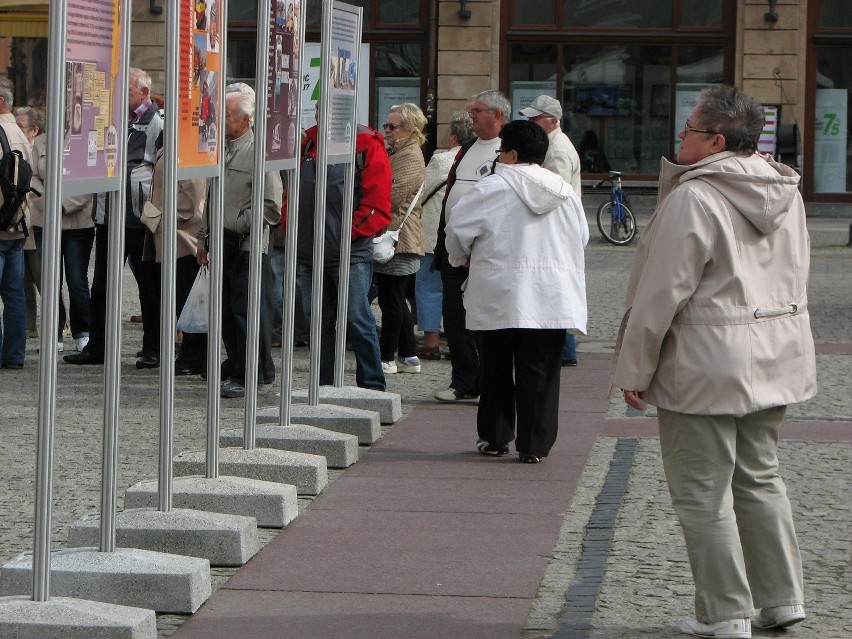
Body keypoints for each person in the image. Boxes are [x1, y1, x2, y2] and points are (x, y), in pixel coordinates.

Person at [612, 86, 815, 639]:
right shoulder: (785, 189)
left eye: (688, 131)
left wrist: (634, 370)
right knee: (760, 477)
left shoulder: (695, 196)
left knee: (702, 490)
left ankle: (726, 613)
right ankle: (781, 599)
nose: (680, 139)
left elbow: (660, 293)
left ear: (716, 140)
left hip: (704, 361)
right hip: (774, 352)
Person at [445, 119, 588, 463]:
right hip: (550, 294)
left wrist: (460, 257)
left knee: (495, 366)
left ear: (509, 153)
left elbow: (458, 231)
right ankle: (535, 444)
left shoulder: (490, 188)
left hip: (500, 290)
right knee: (541, 371)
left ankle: (495, 436)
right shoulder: (563, 191)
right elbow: (581, 237)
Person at [64, 68, 163, 367]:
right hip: (109, 214)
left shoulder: (157, 123)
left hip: (139, 216)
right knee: (102, 285)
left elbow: (162, 169)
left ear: (144, 93)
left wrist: (154, 211)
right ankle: (98, 347)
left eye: (128, 90)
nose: (121, 95)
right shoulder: (115, 119)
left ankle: (153, 349)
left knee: (149, 285)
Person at [197, 82, 283, 398]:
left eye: (228, 115)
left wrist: (239, 225)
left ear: (245, 119)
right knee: (226, 311)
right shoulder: (221, 149)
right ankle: (239, 364)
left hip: (247, 245)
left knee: (245, 311)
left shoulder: (259, 151)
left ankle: (247, 373)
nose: (222, 120)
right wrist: (204, 239)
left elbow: (272, 206)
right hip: (223, 242)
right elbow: (211, 198)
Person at [295, 112, 391, 391]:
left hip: (349, 252)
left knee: (358, 320)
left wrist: (344, 235)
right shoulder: (309, 142)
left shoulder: (366, 144)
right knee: (318, 323)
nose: (322, 114)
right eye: (319, 108)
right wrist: (294, 227)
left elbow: (377, 203)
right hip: (310, 251)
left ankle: (372, 386)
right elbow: (293, 189)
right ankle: (323, 386)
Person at [432, 90, 510, 402]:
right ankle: (463, 380)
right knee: (453, 317)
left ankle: (488, 380)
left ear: (497, 115)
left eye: (476, 110)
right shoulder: (465, 149)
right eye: (470, 110)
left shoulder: (507, 151)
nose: (470, 116)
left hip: (485, 252)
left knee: (485, 320)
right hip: (453, 247)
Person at [520, 95, 583, 367]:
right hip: (558, 230)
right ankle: (565, 349)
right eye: (530, 118)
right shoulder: (552, 143)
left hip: (557, 230)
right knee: (555, 287)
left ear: (553, 121)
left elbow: (553, 194)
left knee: (554, 289)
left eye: (536, 119)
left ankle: (565, 350)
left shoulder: (557, 150)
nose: (531, 123)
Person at [144, 138, 208, 376]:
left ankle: (194, 356)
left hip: (184, 235)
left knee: (189, 297)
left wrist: (172, 216)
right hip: (171, 230)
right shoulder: (172, 143)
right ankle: (190, 354)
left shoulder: (187, 145)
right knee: (183, 297)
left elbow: (191, 191)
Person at [29, 126, 95, 354]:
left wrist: (65, 204)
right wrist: (48, 201)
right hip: (45, 220)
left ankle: (82, 331)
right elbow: (33, 177)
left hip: (77, 221)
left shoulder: (87, 138)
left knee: (77, 281)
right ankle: (54, 331)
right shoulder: (40, 142)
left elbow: (92, 179)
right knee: (50, 281)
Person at [415, 110, 473, 361]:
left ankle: (431, 342)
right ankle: (462, 339)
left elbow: (420, 192)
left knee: (429, 289)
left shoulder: (441, 160)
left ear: (453, 138)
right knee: (460, 290)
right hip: (463, 237)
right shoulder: (480, 160)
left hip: (432, 235)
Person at [376, 103, 427, 375]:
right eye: (386, 125)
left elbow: (391, 195)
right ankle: (409, 356)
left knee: (391, 299)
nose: (387, 130)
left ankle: (387, 357)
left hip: (400, 239)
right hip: (396, 237)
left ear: (411, 129)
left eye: (393, 126)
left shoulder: (410, 155)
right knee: (395, 297)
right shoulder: (399, 151)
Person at [0, 78, 31, 370]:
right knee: (14, 294)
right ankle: (13, 355)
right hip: (18, 223)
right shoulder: (21, 133)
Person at [13, 106, 46, 340]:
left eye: (20, 127)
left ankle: (59, 321)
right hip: (18, 225)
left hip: (36, 222)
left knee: (41, 276)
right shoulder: (14, 148)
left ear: (34, 130)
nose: (16, 131)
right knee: (22, 279)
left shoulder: (38, 150)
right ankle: (28, 324)